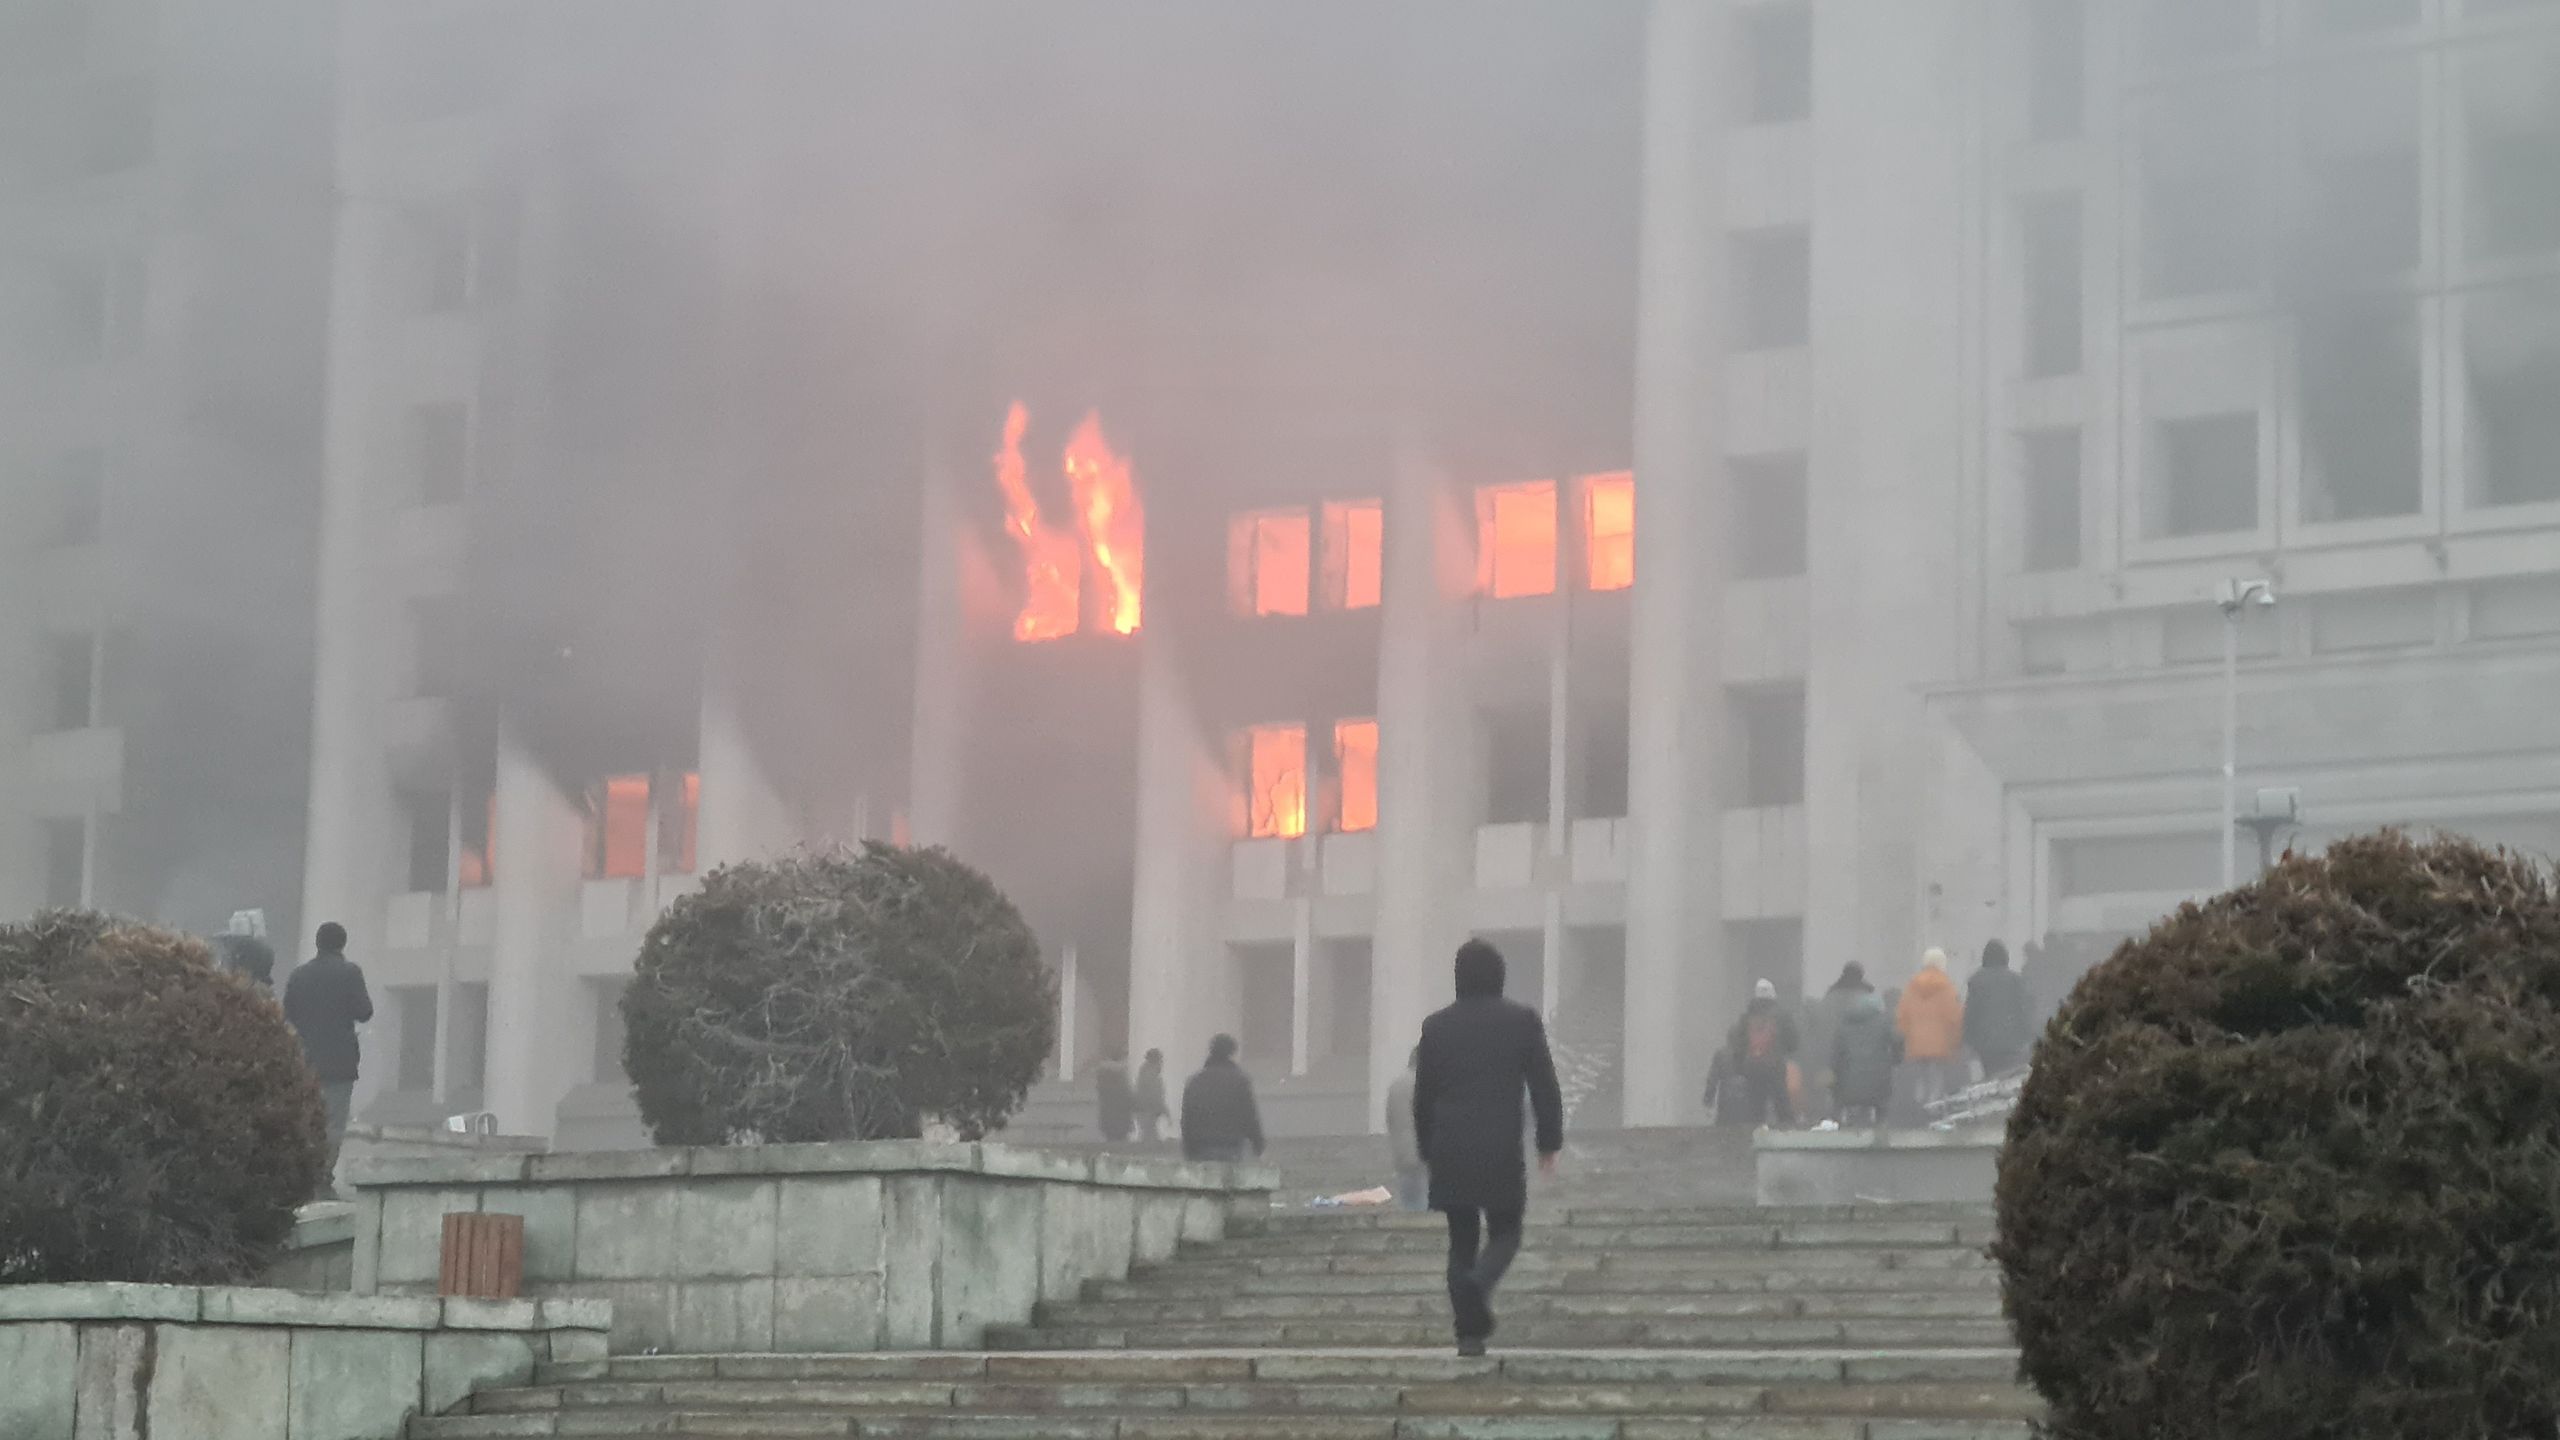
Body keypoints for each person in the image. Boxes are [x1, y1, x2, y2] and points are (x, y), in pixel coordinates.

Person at [1413, 939, 1564, 1357]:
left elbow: (1423, 1095)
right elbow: (1544, 1087)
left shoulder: (1436, 1027)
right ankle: (1479, 1285)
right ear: (1500, 976)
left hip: (1449, 1147)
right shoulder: (1521, 1021)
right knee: (1506, 1230)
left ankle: (1469, 1333)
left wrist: (1426, 1148)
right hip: (1499, 1146)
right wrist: (1548, 1141)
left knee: (1461, 1238)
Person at [282, 921, 373, 1196]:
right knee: (333, 1122)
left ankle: (302, 1175)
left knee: (306, 1118)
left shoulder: (299, 975)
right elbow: (364, 1011)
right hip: (340, 1063)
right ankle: (323, 1177)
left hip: (304, 1061)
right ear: (341, 944)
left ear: (318, 943)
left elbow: (287, 1014)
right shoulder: (350, 973)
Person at [1896, 948, 1968, 1110]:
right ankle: (1932, 1107)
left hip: (1916, 1041)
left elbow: (1902, 1014)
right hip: (1939, 1042)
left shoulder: (1912, 986)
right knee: (1936, 1076)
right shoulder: (1947, 987)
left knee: (1922, 1075)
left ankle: (1919, 1104)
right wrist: (1956, 1040)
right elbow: (1954, 1016)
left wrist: (1906, 1035)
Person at [1803, 962, 1873, 1123]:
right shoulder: (1867, 997)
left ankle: (1835, 1119)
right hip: (1860, 1052)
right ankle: (1863, 1121)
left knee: (1836, 1089)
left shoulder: (1830, 997)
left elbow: (1821, 1028)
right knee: (1860, 1088)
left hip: (1833, 1052)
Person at [1725, 979, 1798, 1128]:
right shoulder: (1782, 1016)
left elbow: (1738, 1044)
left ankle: (1755, 1138)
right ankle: (1787, 1136)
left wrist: (1739, 1067)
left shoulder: (1746, 1017)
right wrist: (1783, 1052)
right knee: (1782, 1105)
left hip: (1753, 1066)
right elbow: (1793, 1042)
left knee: (1755, 1108)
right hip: (1775, 1065)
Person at [1180, 1034, 1265, 1163]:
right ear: (1232, 1052)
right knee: (1229, 1181)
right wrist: (1257, 1143)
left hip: (1201, 1145)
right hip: (1231, 1143)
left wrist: (1188, 1147)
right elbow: (1249, 1114)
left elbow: (1188, 1116)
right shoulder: (1240, 1080)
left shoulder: (1195, 1081)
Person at [1963, 939, 2034, 1078]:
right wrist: (2027, 1035)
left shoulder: (1976, 980)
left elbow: (1970, 1013)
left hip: (1985, 1043)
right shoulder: (2015, 980)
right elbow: (2023, 1010)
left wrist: (1968, 1040)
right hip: (2012, 1041)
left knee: (1990, 1077)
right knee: (2010, 1077)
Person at [1830, 987, 1901, 1127]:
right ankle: (1881, 1127)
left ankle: (1843, 1124)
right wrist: (1895, 1059)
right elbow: (1898, 1040)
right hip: (1877, 1084)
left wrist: (1834, 1080)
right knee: (1881, 1102)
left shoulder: (1843, 1026)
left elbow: (1835, 1057)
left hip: (1847, 1087)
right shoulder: (1884, 1023)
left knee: (1842, 1096)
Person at [1385, 1046, 1426, 1211]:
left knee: (1409, 1205)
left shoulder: (1396, 1085)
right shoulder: (1426, 1084)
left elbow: (1390, 1119)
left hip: (1402, 1155)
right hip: (1424, 1155)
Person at [1131, 1049, 1170, 1145]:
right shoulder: (1152, 1076)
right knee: (1150, 1140)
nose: (1162, 1064)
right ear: (1156, 1061)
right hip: (1148, 1112)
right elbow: (1156, 1097)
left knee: (1147, 1138)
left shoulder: (1144, 1074)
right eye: (1160, 1061)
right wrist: (1166, 1113)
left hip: (1144, 1112)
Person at [1093, 1055, 1133, 1144]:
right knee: (1121, 1141)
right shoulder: (1122, 1078)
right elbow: (1128, 1097)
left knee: (1111, 1141)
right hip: (1121, 1118)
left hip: (1110, 1118)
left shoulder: (1103, 1078)